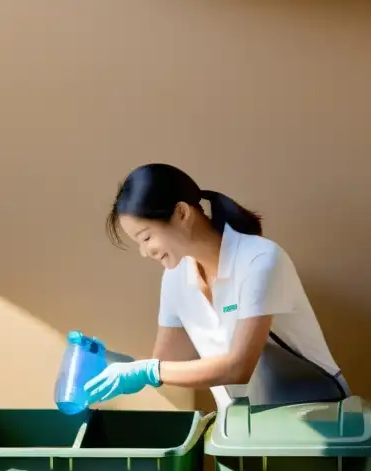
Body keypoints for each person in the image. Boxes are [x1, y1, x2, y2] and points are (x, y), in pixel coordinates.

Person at [79, 163, 350, 409]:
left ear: (182, 213)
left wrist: (148, 371)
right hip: (242, 430)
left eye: (146, 237)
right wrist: (119, 364)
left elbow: (239, 367)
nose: (144, 251)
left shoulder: (259, 260)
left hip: (316, 418)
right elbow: (168, 364)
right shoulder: (175, 278)